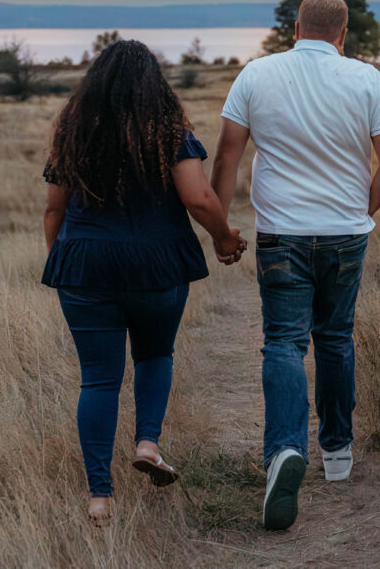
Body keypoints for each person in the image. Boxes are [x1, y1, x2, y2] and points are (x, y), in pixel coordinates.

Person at [210, 0, 380, 530]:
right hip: (345, 233)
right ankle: (338, 452)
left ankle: (282, 452)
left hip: (282, 235)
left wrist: (222, 226)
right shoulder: (367, 80)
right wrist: (362, 208)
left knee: (283, 341)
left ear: (294, 28)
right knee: (336, 337)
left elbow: (228, 152)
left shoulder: (256, 73)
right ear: (343, 34)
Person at [42, 40, 246, 523]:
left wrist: (65, 261)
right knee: (155, 354)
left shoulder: (73, 132)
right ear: (155, 85)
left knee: (98, 381)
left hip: (86, 268)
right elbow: (198, 198)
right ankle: (148, 443)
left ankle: (99, 497)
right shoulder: (167, 133)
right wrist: (223, 236)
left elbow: (54, 207)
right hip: (156, 266)